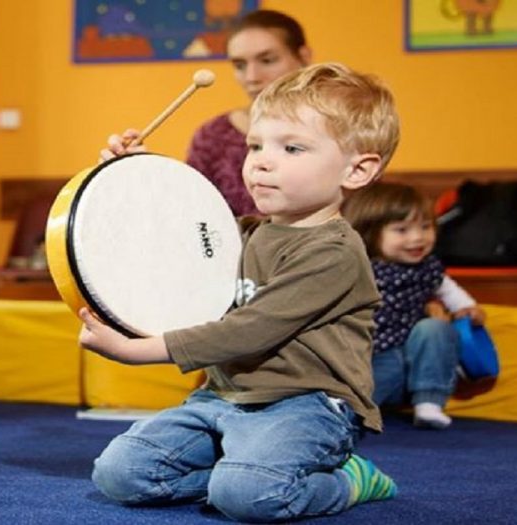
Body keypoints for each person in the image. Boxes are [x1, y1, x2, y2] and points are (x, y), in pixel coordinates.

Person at [85, 63, 400, 522]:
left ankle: (350, 478)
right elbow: (174, 234)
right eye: (256, 145)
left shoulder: (334, 252)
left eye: (291, 148)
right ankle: (240, 467)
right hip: (222, 396)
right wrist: (131, 175)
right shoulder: (244, 232)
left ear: (357, 169)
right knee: (119, 475)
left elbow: (248, 331)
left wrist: (140, 351)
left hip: (307, 404)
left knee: (248, 497)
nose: (261, 161)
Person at [103, 10, 311, 217]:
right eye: (239, 65)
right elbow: (189, 213)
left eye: (267, 60)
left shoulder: (332, 126)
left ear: (304, 57)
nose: (251, 76)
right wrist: (139, 170)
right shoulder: (212, 136)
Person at [342, 182, 486, 430]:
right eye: (402, 230)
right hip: (369, 359)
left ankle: (429, 402)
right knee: (367, 378)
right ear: (369, 232)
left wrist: (469, 311)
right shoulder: (357, 268)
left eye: (425, 227)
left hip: (416, 364)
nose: (417, 237)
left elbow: (461, 301)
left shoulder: (429, 269)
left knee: (434, 329)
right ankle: (348, 410)